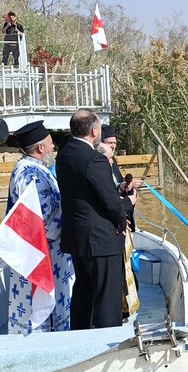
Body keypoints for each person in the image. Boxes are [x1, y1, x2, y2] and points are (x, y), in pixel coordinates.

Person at [56, 109, 135, 330]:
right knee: (107, 298)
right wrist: (127, 207)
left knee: (84, 292)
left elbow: (86, 193)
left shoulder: (64, 155)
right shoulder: (94, 159)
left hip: (77, 236)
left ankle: (79, 336)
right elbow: (110, 202)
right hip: (100, 239)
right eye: (99, 127)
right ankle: (106, 345)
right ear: (93, 131)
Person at [6, 121, 74, 334]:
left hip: (45, 251)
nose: (54, 147)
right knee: (38, 302)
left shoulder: (33, 168)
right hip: (42, 252)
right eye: (51, 144)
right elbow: (40, 221)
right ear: (40, 148)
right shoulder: (30, 175)